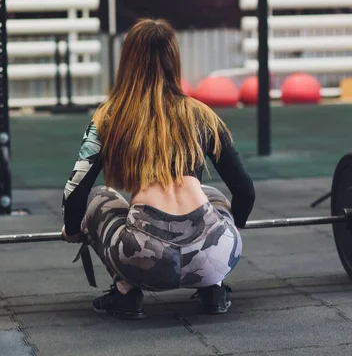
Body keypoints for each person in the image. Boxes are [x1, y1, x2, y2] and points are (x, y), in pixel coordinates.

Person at [60, 18, 255, 320]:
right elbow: (244, 190)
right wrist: (235, 225)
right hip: (214, 252)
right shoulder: (201, 114)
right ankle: (213, 286)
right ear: (173, 60)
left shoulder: (108, 117)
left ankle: (126, 291)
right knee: (212, 195)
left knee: (100, 197)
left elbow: (75, 191)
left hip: (145, 259)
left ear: (126, 62)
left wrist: (73, 229)